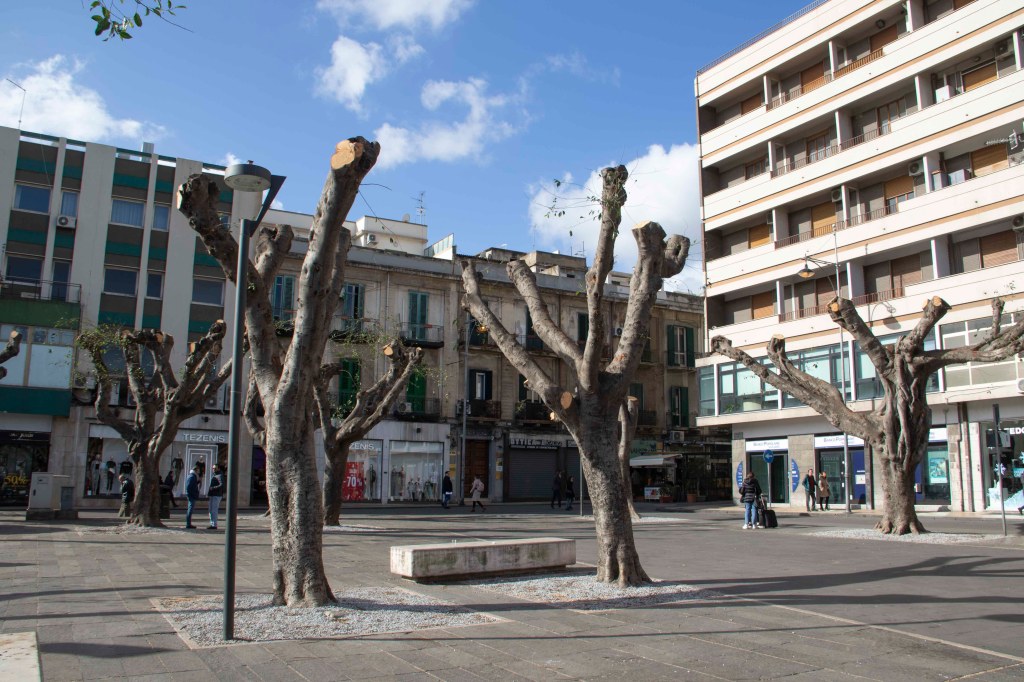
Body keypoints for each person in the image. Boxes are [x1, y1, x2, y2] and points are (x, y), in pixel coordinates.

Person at [206, 464, 224, 530]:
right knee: (210, 510)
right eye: (213, 468)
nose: (213, 469)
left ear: (218, 469)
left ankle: (214, 525)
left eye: (215, 468)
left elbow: (221, 485)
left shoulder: (219, 475)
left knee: (214, 510)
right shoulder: (215, 475)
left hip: (216, 495)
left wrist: (213, 488)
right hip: (212, 495)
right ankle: (212, 524)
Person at [184, 465, 200, 529]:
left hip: (191, 495)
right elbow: (189, 487)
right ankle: (188, 524)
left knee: (190, 509)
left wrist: (197, 482)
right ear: (195, 470)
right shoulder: (192, 477)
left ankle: (189, 523)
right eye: (198, 470)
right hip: (191, 495)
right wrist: (192, 494)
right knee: (190, 509)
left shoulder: (193, 476)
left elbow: (192, 485)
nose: (199, 472)